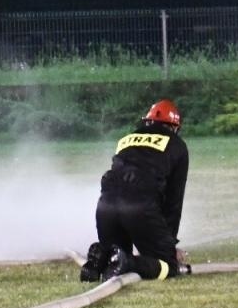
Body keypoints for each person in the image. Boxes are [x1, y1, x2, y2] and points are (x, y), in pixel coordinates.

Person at [79, 99, 191, 282]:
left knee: (117, 255)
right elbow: (173, 200)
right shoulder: (177, 145)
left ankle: (100, 258)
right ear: (174, 127)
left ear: (147, 122)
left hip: (106, 207)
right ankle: (127, 262)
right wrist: (168, 246)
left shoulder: (126, 140)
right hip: (139, 207)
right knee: (167, 265)